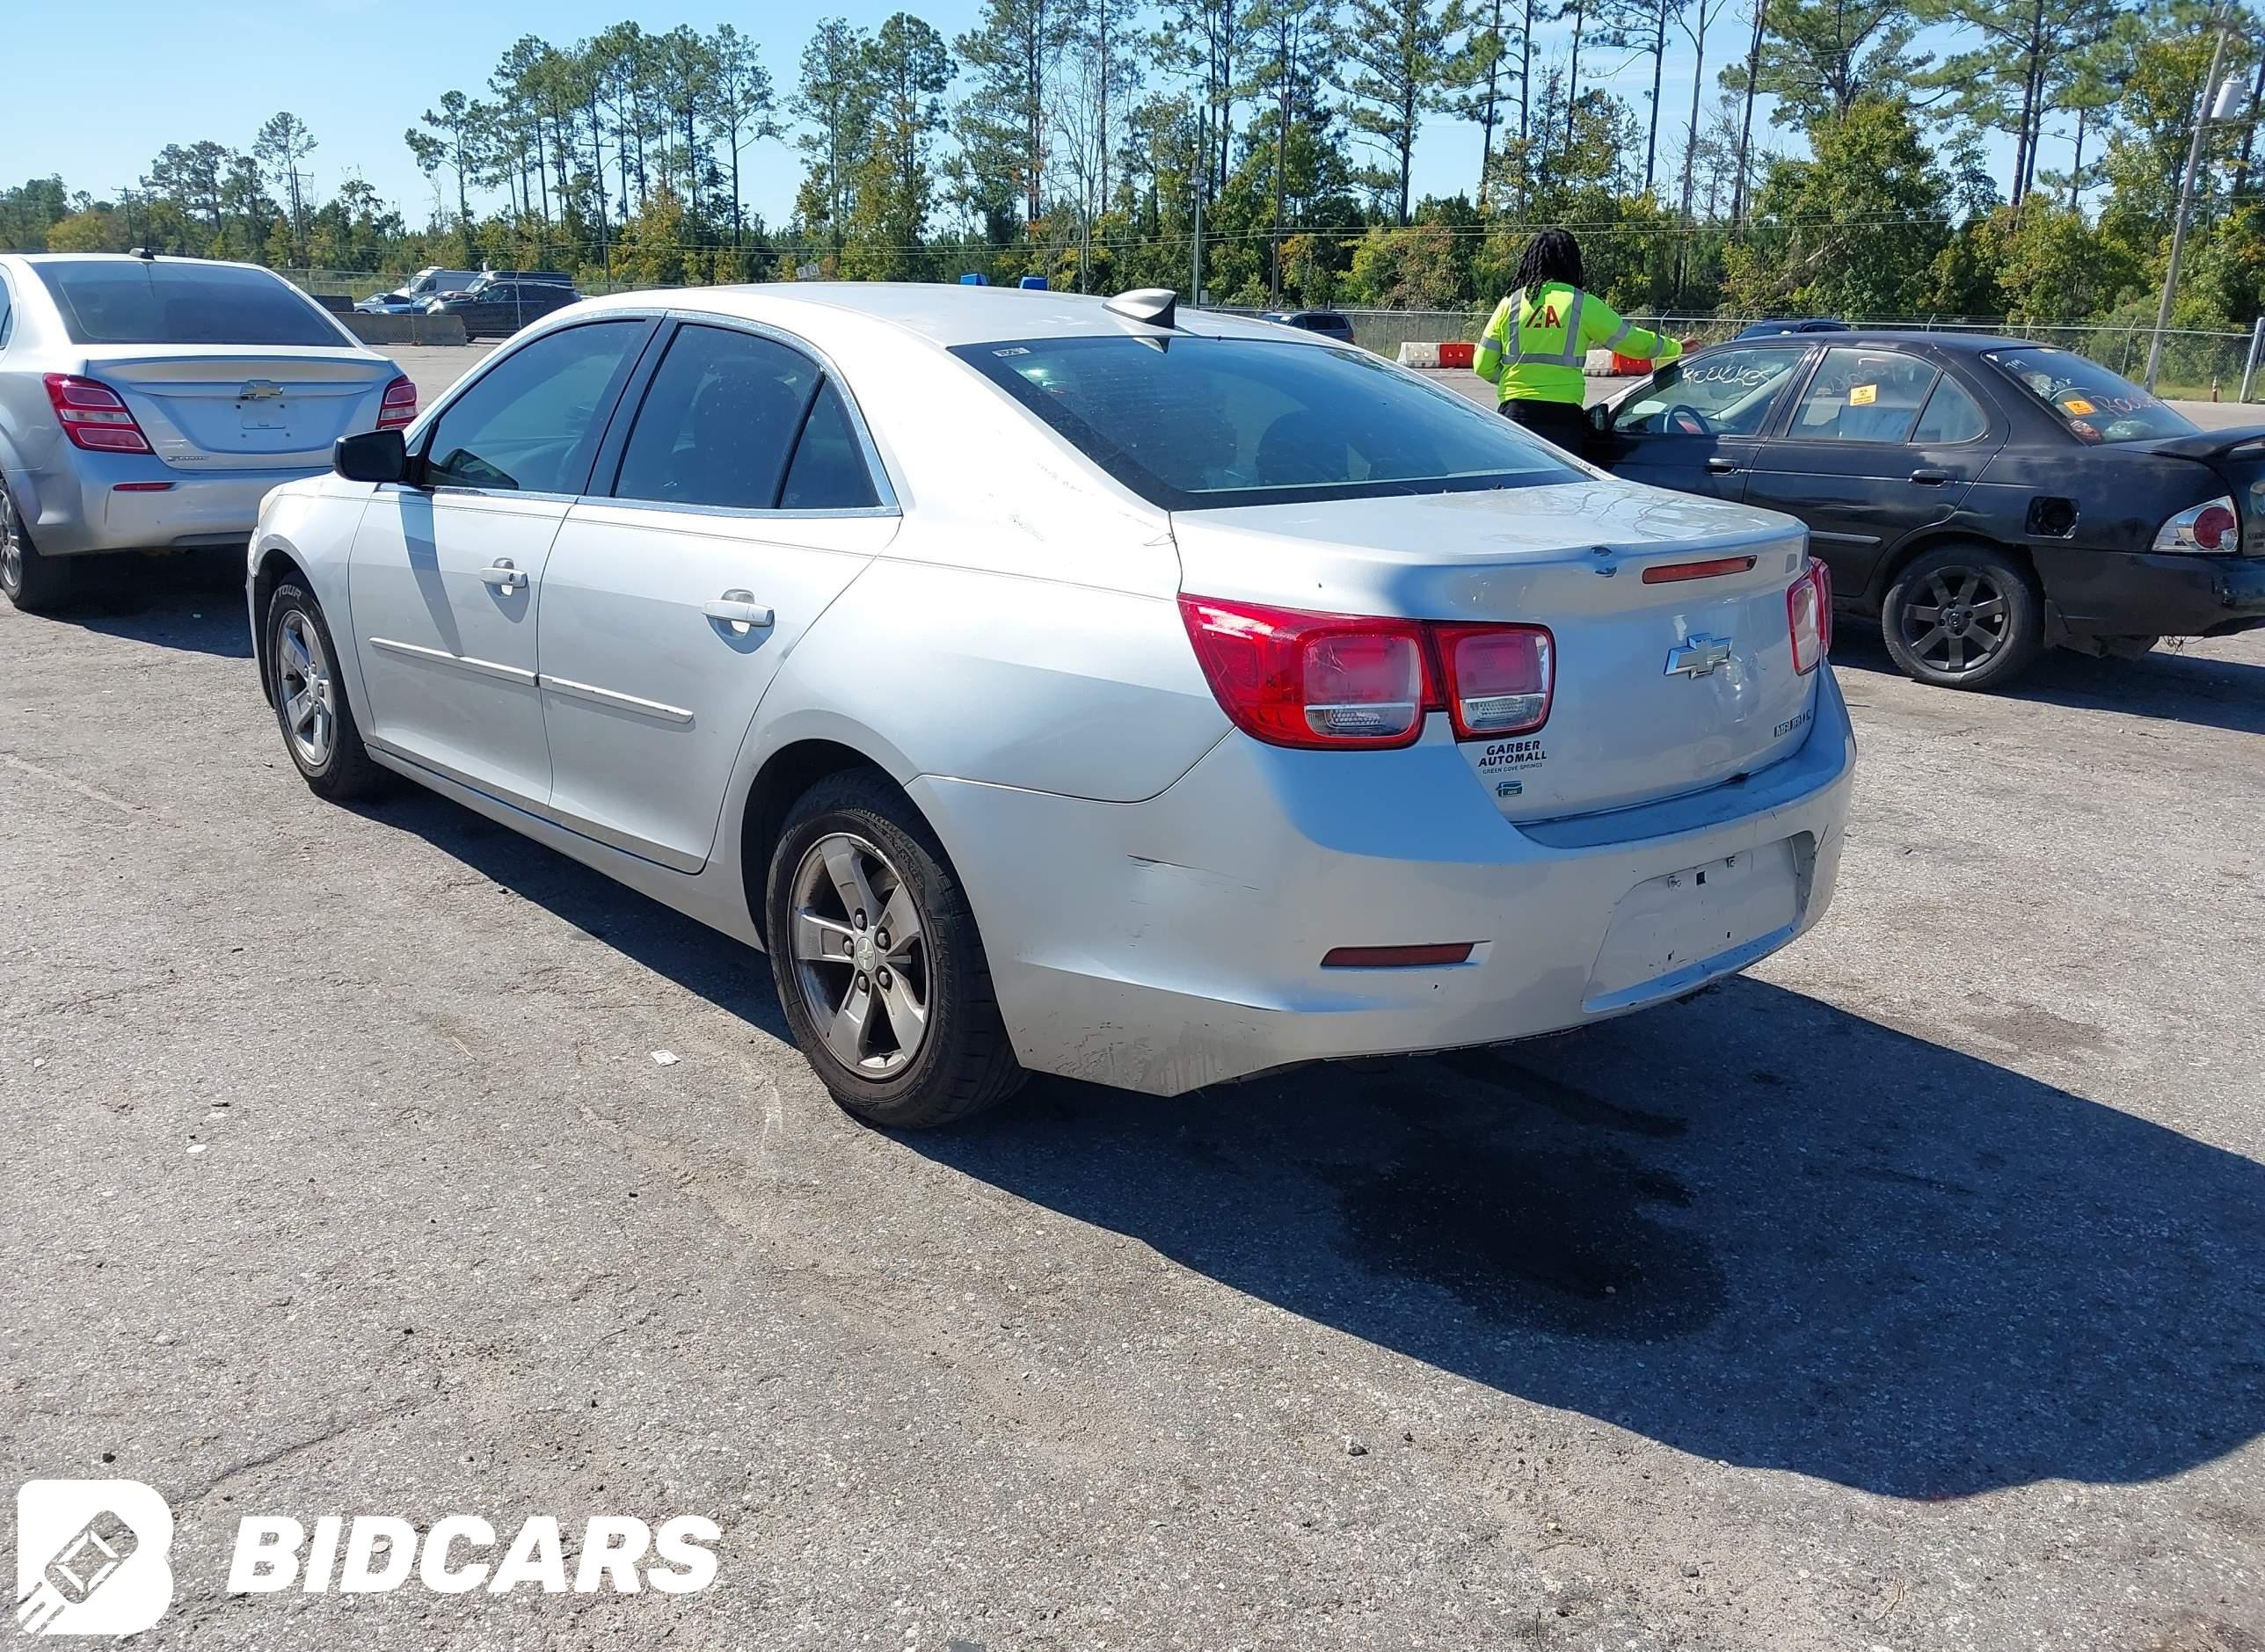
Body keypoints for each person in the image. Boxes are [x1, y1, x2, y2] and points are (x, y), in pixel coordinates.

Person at [1475, 229, 1686, 451]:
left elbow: (1482, 366)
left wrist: (1517, 382)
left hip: (1515, 415)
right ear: (1571, 263)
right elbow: (1633, 342)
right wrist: (1676, 346)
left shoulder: (1510, 304)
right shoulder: (1581, 304)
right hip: (1563, 421)